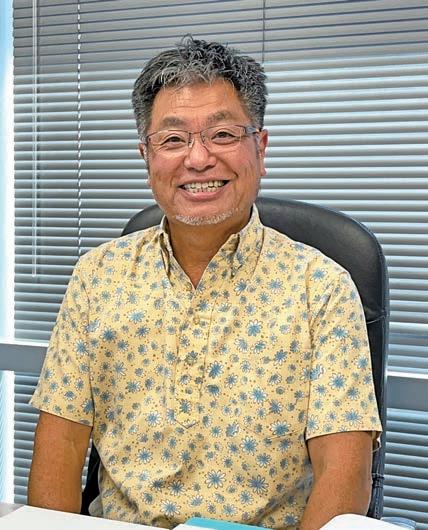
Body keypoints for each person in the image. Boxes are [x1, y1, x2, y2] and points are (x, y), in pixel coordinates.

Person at [28, 36, 381, 530]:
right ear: (146, 156)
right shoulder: (97, 277)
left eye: (222, 134)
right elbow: (61, 447)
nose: (197, 160)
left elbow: (344, 478)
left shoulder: (320, 288)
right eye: (173, 140)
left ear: (260, 147)